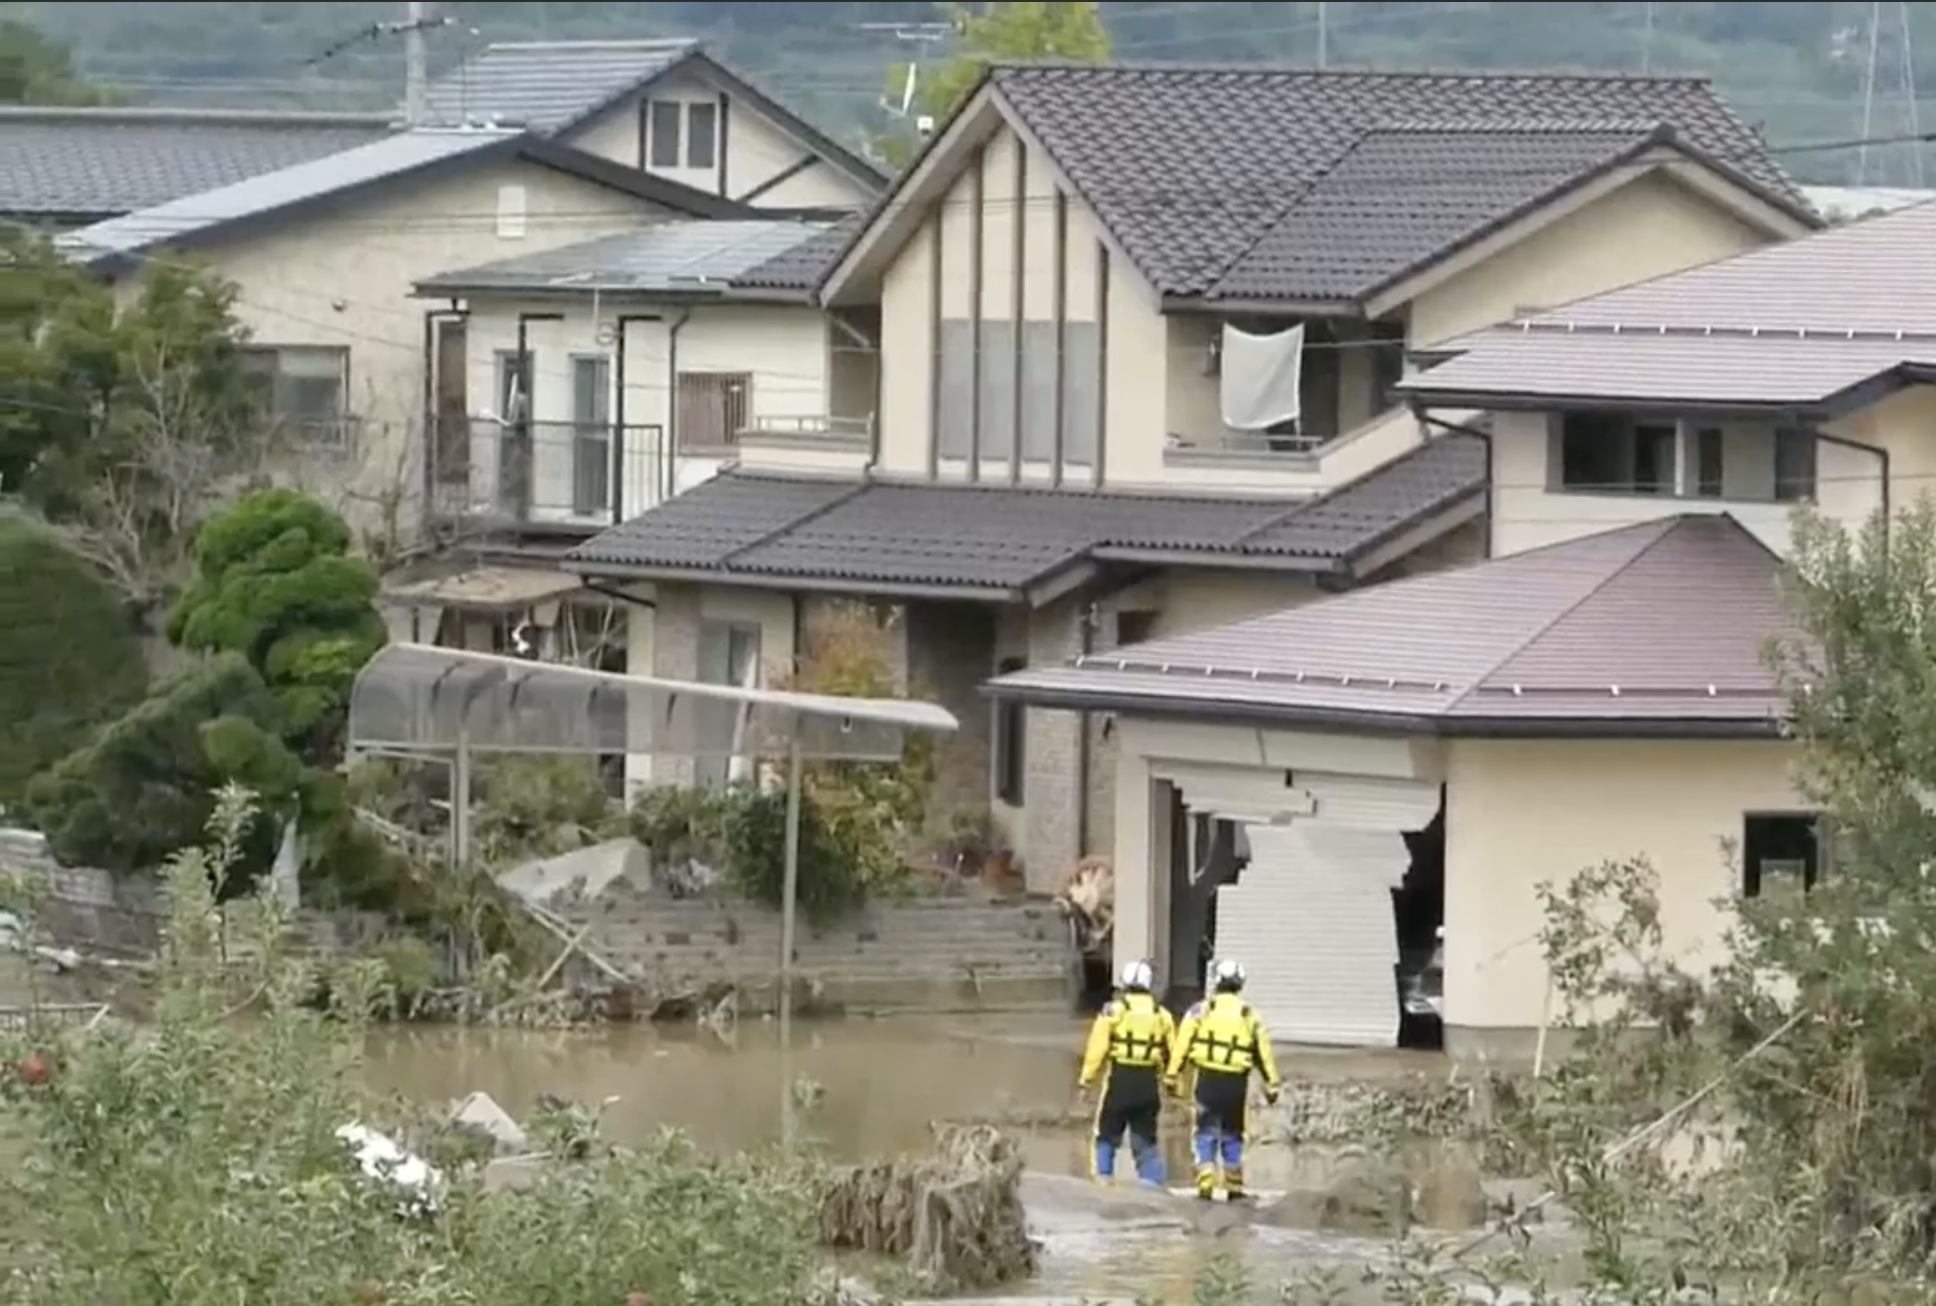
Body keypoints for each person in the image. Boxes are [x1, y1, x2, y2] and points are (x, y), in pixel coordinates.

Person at [1166, 957, 1282, 1201]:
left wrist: (1172, 1075)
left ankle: (1206, 1177)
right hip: (1235, 1083)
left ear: (1216, 981)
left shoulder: (1201, 1010)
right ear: (1240, 984)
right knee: (1232, 1132)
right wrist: (1271, 1084)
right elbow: (1263, 1053)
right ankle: (1234, 1185)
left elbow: (1182, 1045)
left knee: (1205, 1129)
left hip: (1207, 1079)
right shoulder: (1249, 1015)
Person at [1077, 959, 1177, 1186]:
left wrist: (1086, 1081)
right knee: (1146, 1143)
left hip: (1120, 1080)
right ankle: (1152, 1188)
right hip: (1148, 1083)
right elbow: (1172, 1054)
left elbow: (1097, 1049)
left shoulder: (1113, 1011)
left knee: (1106, 1137)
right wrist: (1174, 1087)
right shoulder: (1161, 1015)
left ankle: (1104, 1181)